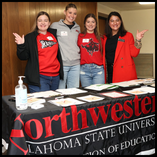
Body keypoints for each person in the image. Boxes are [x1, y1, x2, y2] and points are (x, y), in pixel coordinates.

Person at [13, 11, 63, 93]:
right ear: (36, 23)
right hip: (39, 77)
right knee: (42, 104)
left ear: (49, 23)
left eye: (45, 20)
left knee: (53, 104)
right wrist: (21, 45)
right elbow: (23, 57)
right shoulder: (30, 37)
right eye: (40, 20)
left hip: (55, 77)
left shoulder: (53, 35)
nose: (43, 23)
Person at [103, 11, 148, 83]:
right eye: (112, 21)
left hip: (123, 71)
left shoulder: (128, 35)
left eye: (117, 20)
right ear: (108, 23)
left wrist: (138, 40)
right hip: (109, 71)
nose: (115, 23)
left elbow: (134, 53)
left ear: (120, 22)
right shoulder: (104, 37)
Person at [50, 3, 80, 89]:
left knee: (74, 91)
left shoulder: (78, 27)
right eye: (70, 12)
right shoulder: (55, 26)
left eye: (74, 13)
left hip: (76, 64)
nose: (72, 15)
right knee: (60, 91)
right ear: (64, 12)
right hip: (62, 65)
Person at [78, 13, 104, 87]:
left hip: (98, 70)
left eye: (93, 22)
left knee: (99, 93)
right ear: (85, 24)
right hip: (84, 70)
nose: (90, 24)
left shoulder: (101, 37)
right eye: (88, 21)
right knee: (87, 94)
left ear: (96, 24)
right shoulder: (80, 36)